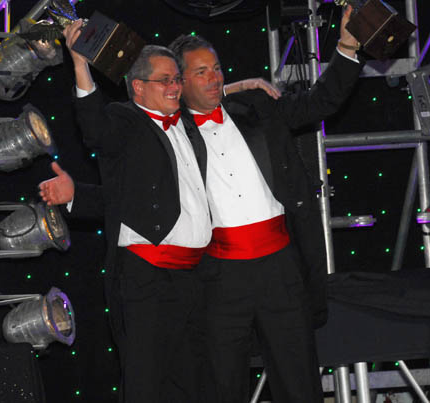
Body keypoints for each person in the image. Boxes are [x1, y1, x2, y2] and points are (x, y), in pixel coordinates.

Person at [38, 20, 280, 403]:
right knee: (147, 384)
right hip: (149, 278)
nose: (174, 87)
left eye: (177, 80)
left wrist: (242, 85)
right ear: (138, 87)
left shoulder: (187, 122)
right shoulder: (126, 120)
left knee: (198, 384)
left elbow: (208, 97)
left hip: (196, 277)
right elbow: (96, 128)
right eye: (164, 80)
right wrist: (80, 65)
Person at [167, 4, 364, 403]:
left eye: (217, 69)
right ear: (179, 82)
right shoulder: (170, 135)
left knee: (299, 381)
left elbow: (320, 103)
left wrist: (346, 47)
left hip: (280, 268)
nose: (214, 78)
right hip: (220, 279)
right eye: (201, 72)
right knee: (222, 386)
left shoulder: (257, 108)